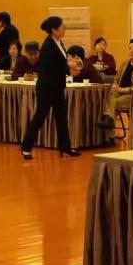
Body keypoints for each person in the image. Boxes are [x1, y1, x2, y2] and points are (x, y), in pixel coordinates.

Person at [21, 16, 80, 159]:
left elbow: (60, 63)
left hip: (58, 87)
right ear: (54, 30)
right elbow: (50, 67)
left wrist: (69, 70)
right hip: (47, 88)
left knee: (61, 118)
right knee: (40, 117)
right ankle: (26, 147)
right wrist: (68, 68)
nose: (64, 28)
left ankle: (65, 148)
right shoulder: (48, 45)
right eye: (61, 26)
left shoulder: (59, 42)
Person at [99, 38, 133, 129]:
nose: (131, 51)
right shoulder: (124, 63)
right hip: (119, 92)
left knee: (114, 102)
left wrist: (122, 90)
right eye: (130, 48)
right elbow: (116, 78)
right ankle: (109, 124)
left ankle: (109, 123)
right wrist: (115, 85)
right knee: (105, 98)